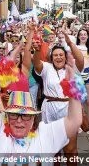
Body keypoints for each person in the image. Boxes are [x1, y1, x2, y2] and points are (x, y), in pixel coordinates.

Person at [0, 57, 84, 166]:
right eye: (14, 115)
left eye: (25, 116)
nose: (19, 120)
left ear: (33, 118)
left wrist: (73, 85)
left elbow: (75, 121)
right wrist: (2, 71)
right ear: (7, 117)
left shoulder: (46, 133)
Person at [32, 30, 84, 165]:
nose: (58, 57)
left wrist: (70, 44)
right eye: (55, 55)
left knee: (70, 149)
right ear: (51, 57)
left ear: (65, 57)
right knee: (53, 147)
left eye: (61, 55)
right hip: (49, 108)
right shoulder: (47, 68)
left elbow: (81, 60)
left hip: (68, 108)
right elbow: (36, 62)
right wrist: (37, 49)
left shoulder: (71, 68)